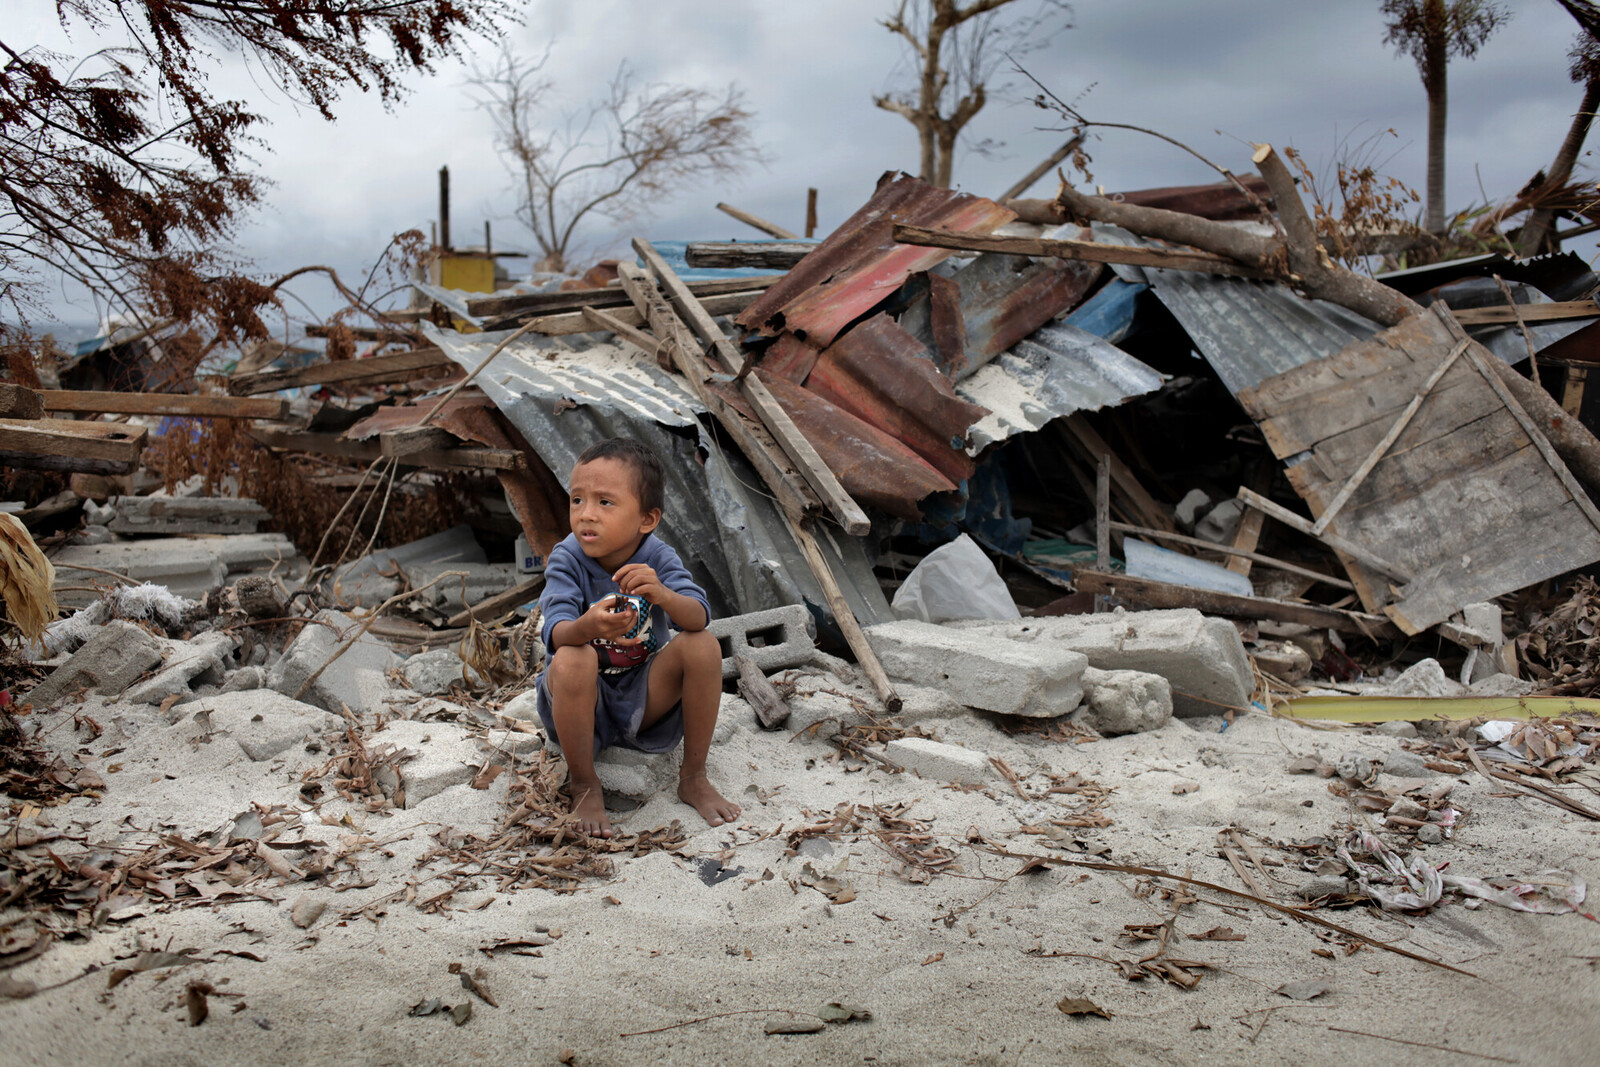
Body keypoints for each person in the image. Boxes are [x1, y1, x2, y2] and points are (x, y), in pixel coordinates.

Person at [534, 438, 740, 838]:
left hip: (640, 697)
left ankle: (693, 776)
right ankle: (584, 783)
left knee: (703, 645)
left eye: (605, 503)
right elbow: (555, 633)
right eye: (577, 500)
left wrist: (663, 594)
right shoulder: (567, 557)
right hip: (578, 703)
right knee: (575, 656)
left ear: (647, 519)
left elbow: (698, 617)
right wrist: (588, 627)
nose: (586, 515)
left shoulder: (658, 557)